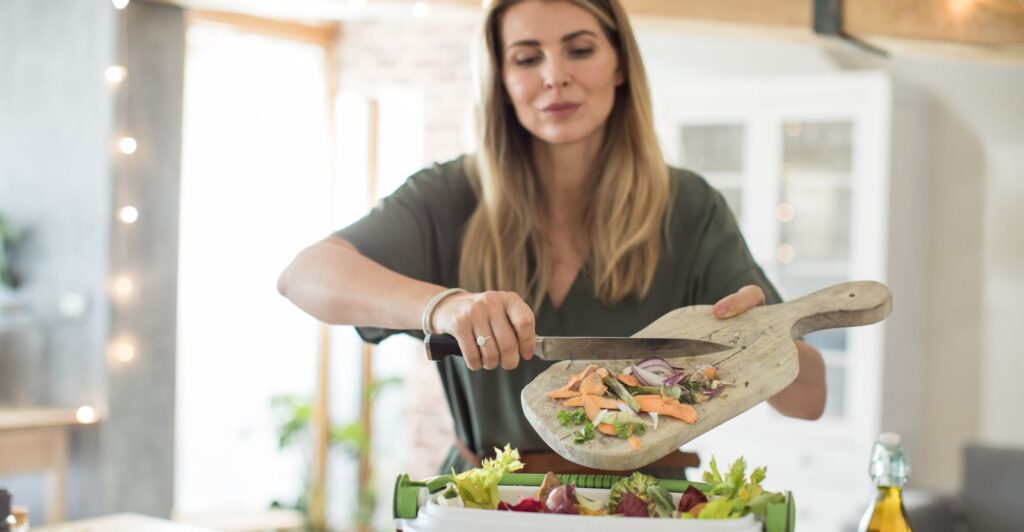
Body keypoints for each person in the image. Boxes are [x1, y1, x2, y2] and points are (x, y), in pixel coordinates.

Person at [277, 0, 825, 477]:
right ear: (502, 79)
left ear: (618, 66)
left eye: (579, 50)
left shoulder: (690, 207)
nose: (554, 76)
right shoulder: (448, 195)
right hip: (486, 507)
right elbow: (304, 275)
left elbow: (810, 400)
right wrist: (441, 307)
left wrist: (762, 342)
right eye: (526, 57)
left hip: (642, 512)